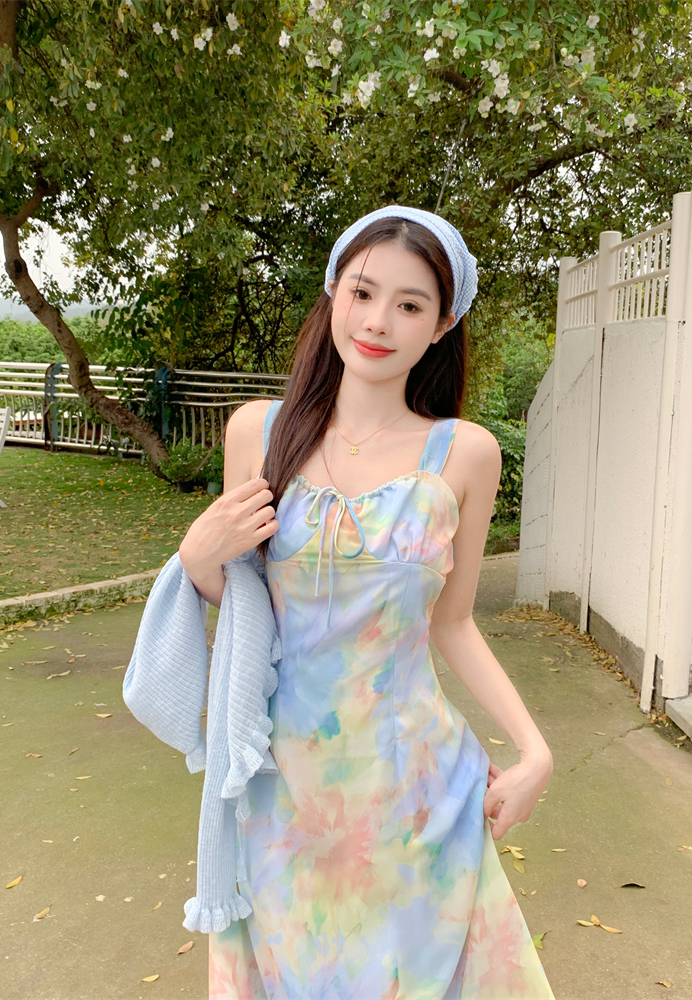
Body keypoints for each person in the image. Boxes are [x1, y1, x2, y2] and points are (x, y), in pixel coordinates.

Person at [178, 207, 555, 999]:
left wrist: (534, 749)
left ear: (442, 325)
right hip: (281, 788)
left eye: (410, 304)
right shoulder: (258, 434)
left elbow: (454, 622)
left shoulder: (466, 454)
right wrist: (197, 557)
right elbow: (239, 599)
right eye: (363, 292)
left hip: (413, 790)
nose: (379, 321)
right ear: (333, 295)